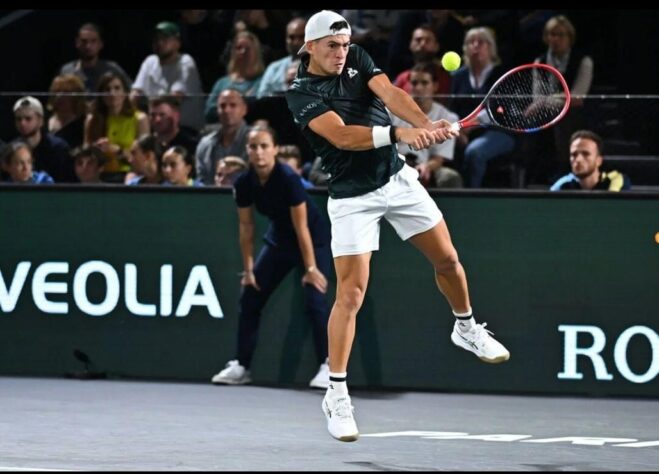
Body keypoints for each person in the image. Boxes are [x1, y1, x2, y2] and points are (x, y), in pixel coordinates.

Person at [285, 10, 510, 443]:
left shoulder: (358, 59)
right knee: (350, 293)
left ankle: (465, 327)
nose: (340, 52)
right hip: (352, 197)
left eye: (345, 44)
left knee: (448, 259)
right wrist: (401, 135)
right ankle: (336, 393)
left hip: (396, 180)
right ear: (309, 47)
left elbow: (390, 93)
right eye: (331, 46)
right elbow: (344, 136)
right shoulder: (300, 94)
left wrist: (426, 124)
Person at [211, 126, 331, 390]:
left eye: (265, 146)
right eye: (254, 147)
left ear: (275, 149)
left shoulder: (288, 178)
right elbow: (246, 228)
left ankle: (328, 366)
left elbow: (302, 227)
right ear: (248, 151)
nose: (259, 152)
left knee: (315, 297)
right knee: (251, 295)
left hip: (313, 238)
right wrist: (249, 269)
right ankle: (241, 366)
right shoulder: (244, 183)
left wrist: (310, 268)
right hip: (280, 241)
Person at [449, 27, 516, 188]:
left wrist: (467, 127)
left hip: (498, 131)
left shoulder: (502, 73)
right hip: (461, 131)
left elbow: (499, 109)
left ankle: (471, 198)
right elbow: (452, 108)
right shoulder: (458, 76)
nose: (475, 46)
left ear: (491, 48)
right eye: (471, 42)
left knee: (474, 152)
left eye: (481, 42)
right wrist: (456, 130)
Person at [390, 62, 462, 188]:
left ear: (435, 86)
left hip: (423, 166)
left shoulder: (448, 118)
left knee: (450, 177)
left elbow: (438, 159)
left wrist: (426, 166)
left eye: (424, 83)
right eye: (414, 83)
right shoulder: (392, 111)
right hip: (393, 165)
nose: (418, 88)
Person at [59, 22, 132, 96]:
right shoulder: (67, 71)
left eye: (93, 41)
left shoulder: (112, 69)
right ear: (77, 43)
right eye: (84, 41)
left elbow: (132, 93)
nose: (88, 46)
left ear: (100, 44)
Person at [550, 130, 631, 191]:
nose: (578, 159)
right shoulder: (563, 184)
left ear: (599, 161)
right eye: (574, 155)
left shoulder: (615, 179)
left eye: (586, 154)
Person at [256, 17, 306, 99]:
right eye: (292, 37)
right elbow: (261, 98)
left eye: (301, 37)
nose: (296, 42)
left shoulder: (324, 66)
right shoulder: (274, 68)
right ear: (286, 39)